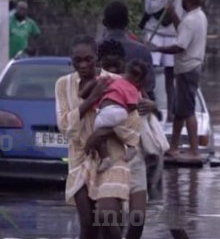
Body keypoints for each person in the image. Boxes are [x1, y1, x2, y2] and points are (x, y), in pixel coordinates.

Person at [55, 35, 141, 239]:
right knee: (88, 226)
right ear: (71, 61)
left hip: (112, 157)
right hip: (80, 158)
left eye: (88, 59)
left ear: (97, 59)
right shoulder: (63, 85)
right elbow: (65, 126)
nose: (83, 65)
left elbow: (133, 122)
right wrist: (91, 99)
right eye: (78, 60)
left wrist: (104, 132)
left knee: (108, 218)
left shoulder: (117, 81)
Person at [95, 39, 157, 239]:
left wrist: (152, 106)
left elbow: (150, 114)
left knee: (138, 216)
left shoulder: (134, 86)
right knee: (107, 217)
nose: (113, 69)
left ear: (124, 63)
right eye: (107, 65)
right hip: (108, 160)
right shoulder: (99, 86)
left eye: (117, 65)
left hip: (134, 159)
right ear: (100, 64)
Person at [149, 0, 207, 161]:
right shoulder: (198, 16)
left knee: (188, 111)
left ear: (188, 0)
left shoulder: (192, 20)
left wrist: (156, 48)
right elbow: (182, 30)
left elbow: (179, 46)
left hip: (188, 69)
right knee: (179, 110)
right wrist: (173, 13)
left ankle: (194, 151)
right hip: (187, 68)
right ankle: (173, 147)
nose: (180, 1)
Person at [141, 0, 187, 122]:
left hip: (172, 34)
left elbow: (182, 12)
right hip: (154, 31)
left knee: (170, 75)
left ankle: (170, 114)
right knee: (148, 71)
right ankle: (149, 108)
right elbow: (149, 8)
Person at [79, 57, 147, 172]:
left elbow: (94, 82)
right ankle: (129, 147)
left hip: (111, 111)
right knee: (104, 133)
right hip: (118, 112)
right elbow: (133, 105)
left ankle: (99, 156)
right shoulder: (130, 87)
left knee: (96, 133)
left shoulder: (115, 81)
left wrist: (83, 92)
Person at [101, 1, 156, 101]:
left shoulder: (92, 49)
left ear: (104, 22)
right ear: (127, 22)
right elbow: (149, 85)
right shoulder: (142, 51)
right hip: (134, 106)